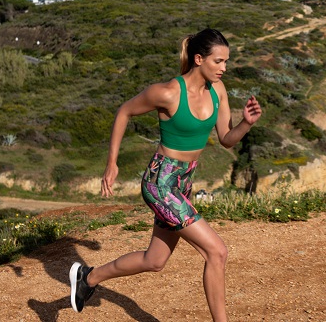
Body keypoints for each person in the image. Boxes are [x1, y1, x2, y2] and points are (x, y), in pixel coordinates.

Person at [69, 28, 262, 321]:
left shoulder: (218, 91)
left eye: (226, 62)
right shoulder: (169, 92)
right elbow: (124, 112)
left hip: (184, 182)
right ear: (199, 59)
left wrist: (246, 124)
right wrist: (112, 163)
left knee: (155, 260)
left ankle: (88, 278)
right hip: (160, 182)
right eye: (218, 61)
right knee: (217, 252)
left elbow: (226, 138)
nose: (224, 68)